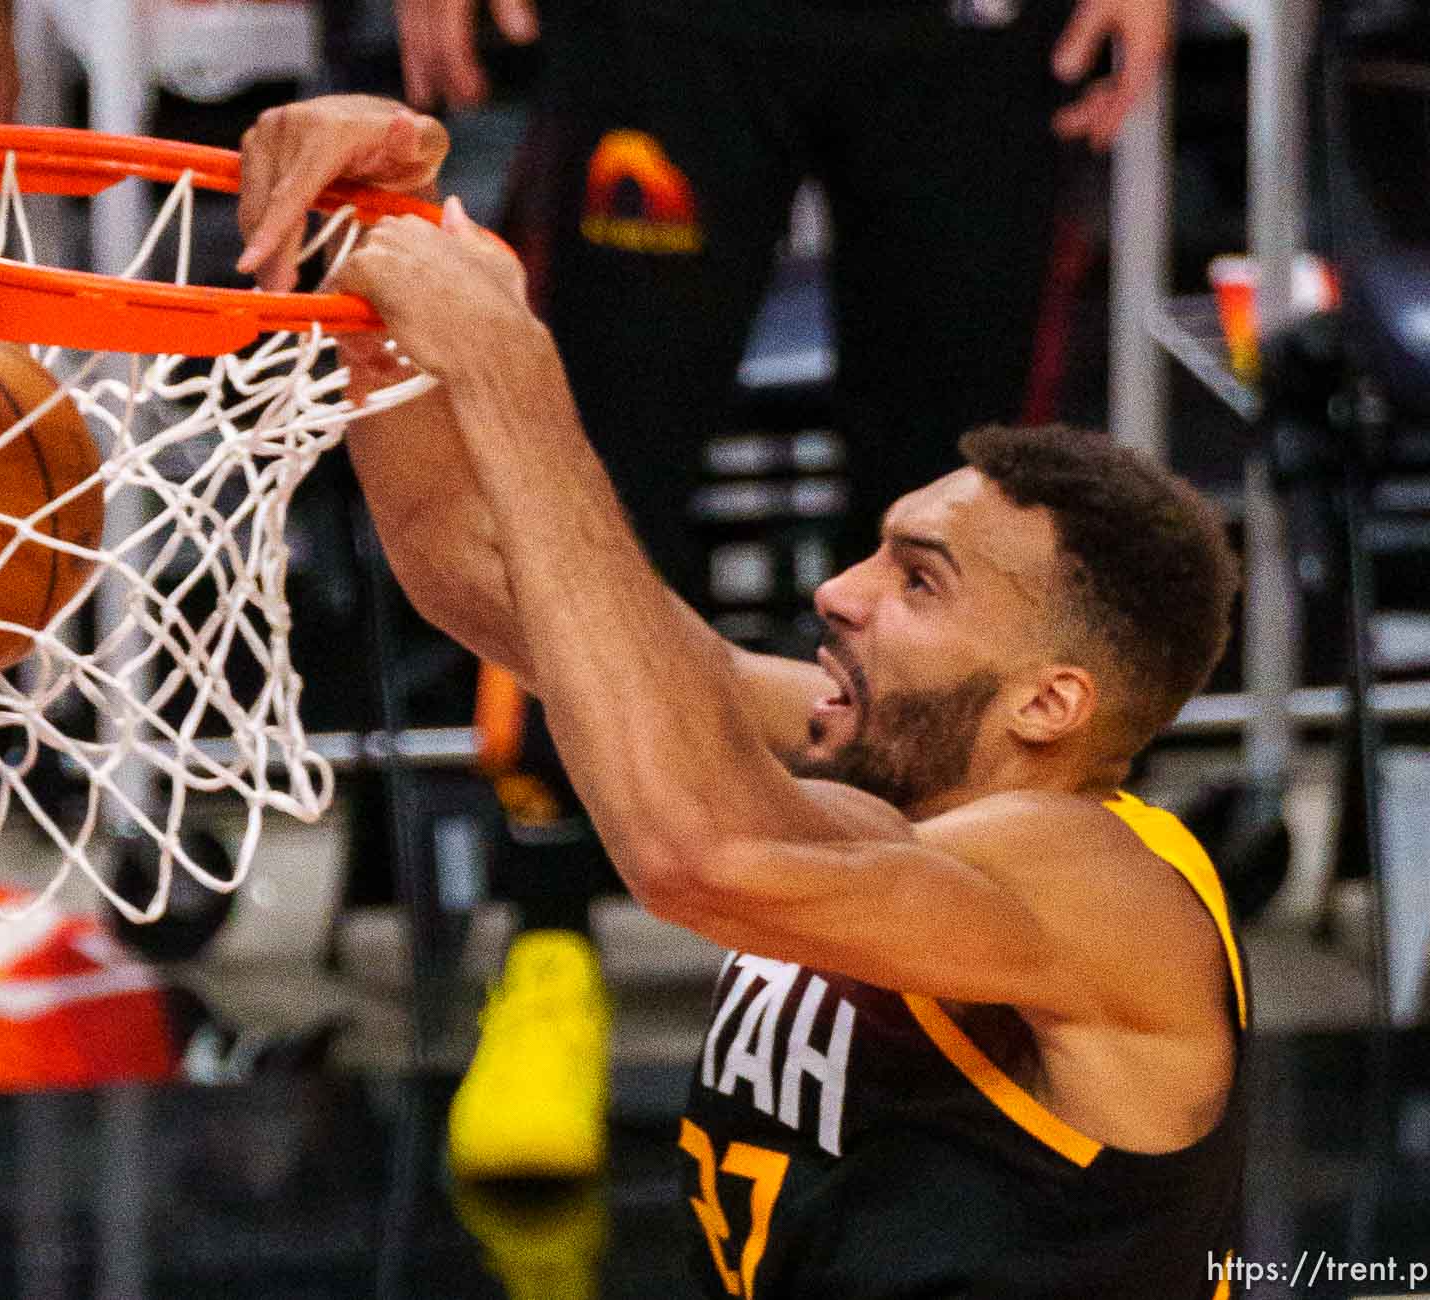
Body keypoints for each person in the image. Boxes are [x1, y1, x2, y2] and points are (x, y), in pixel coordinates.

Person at [235, 95, 1246, 1296]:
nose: (835, 591)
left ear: (1049, 703)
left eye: (918, 581)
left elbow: (696, 852)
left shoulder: (1101, 884)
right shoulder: (875, 764)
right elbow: (477, 575)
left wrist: (514, 368)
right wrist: (378, 256)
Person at [380, 0, 1178, 1185]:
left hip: (968, 38)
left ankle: (934, 995)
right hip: (673, 32)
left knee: (965, 503)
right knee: (587, 463)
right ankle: (548, 943)